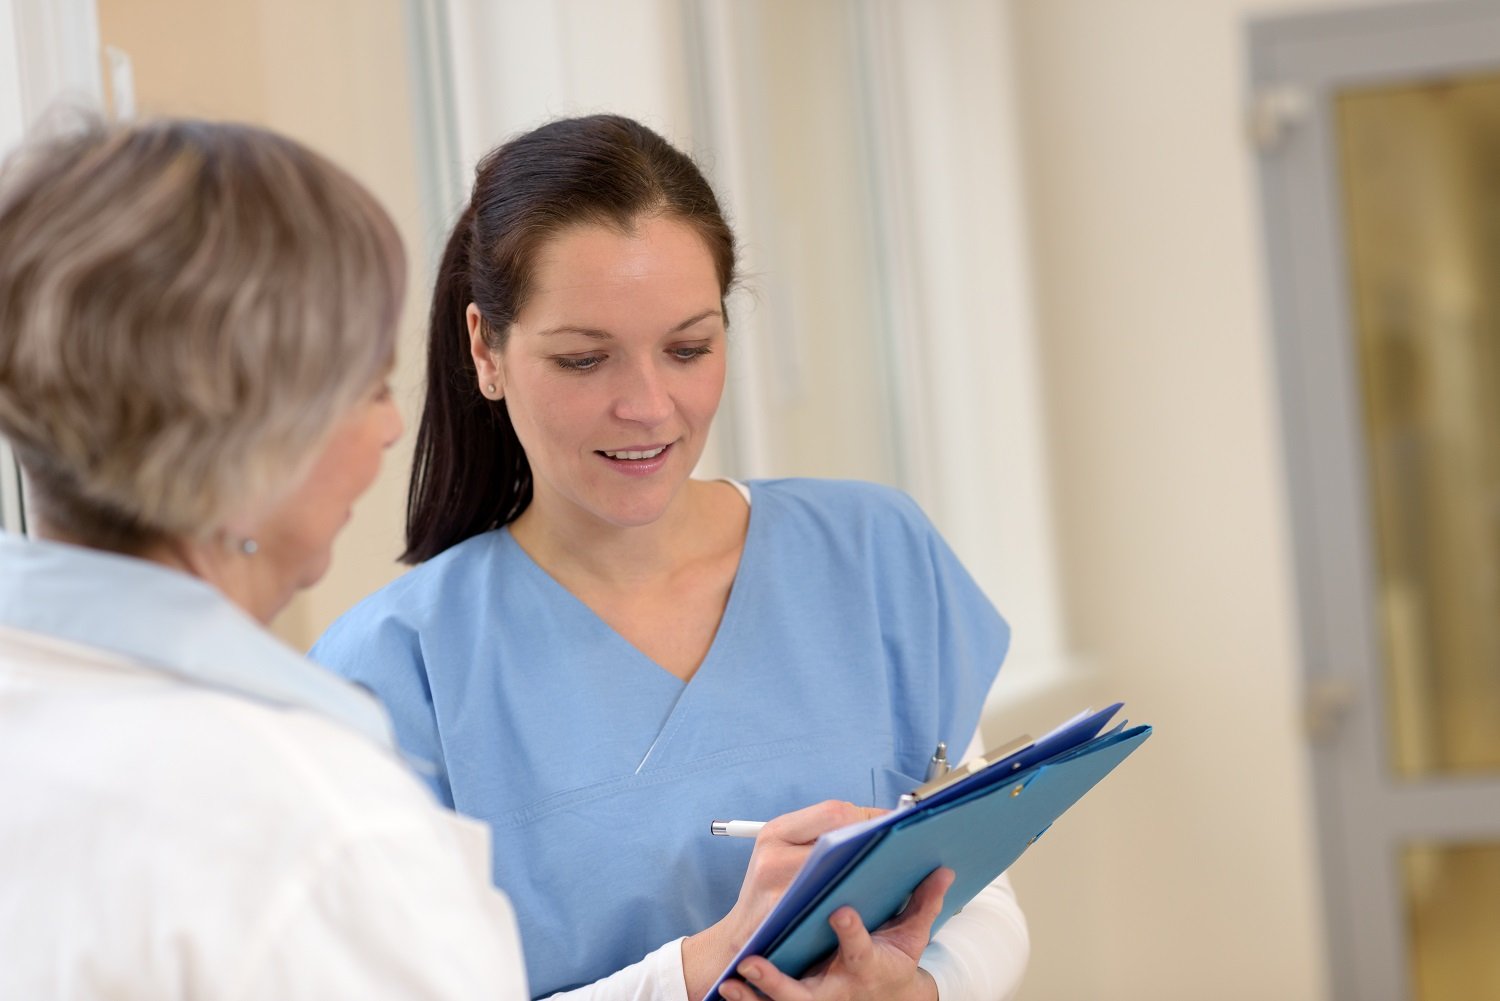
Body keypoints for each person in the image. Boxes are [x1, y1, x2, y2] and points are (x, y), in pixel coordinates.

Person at [311, 113, 1029, 1001]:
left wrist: (912, 989)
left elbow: (981, 899)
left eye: (689, 348)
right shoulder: (388, 674)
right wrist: (702, 969)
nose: (649, 406)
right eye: (584, 360)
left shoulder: (874, 556)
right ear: (484, 350)